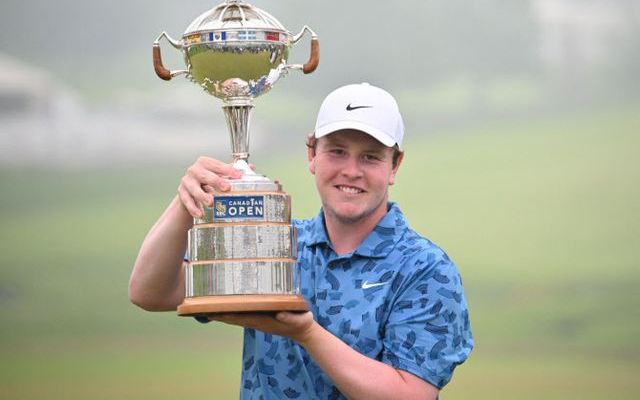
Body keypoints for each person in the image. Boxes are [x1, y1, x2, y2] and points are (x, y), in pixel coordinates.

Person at [129, 83, 473, 399]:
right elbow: (150, 292)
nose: (351, 171)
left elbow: (411, 395)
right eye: (337, 151)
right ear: (312, 154)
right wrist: (185, 202)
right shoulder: (272, 241)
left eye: (370, 156)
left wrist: (306, 333)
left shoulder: (425, 269)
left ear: (395, 166)